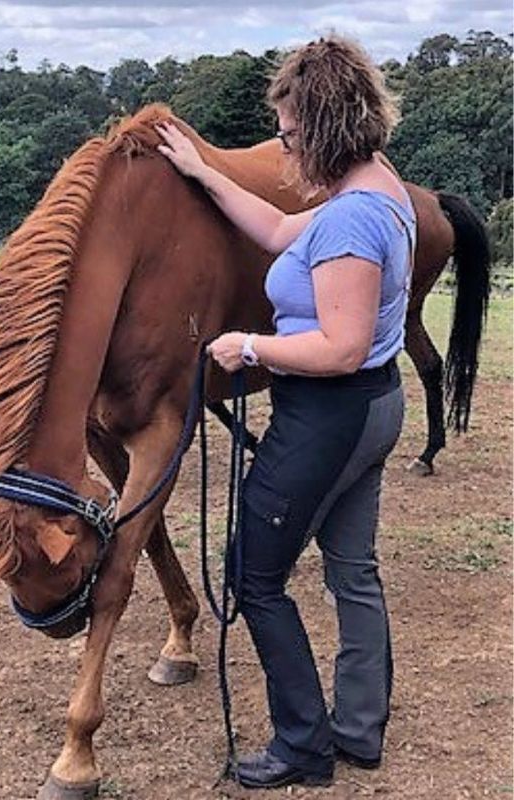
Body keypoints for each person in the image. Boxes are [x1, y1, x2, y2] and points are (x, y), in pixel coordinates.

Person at [156, 35, 415, 790]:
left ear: (327, 124)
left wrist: (250, 346)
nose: (283, 143)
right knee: (353, 570)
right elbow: (274, 231)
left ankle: (303, 745)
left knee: (253, 575)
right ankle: (359, 731)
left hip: (327, 415)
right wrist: (205, 174)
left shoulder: (348, 223)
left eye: (292, 131)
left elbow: (339, 347)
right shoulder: (377, 194)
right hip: (372, 408)